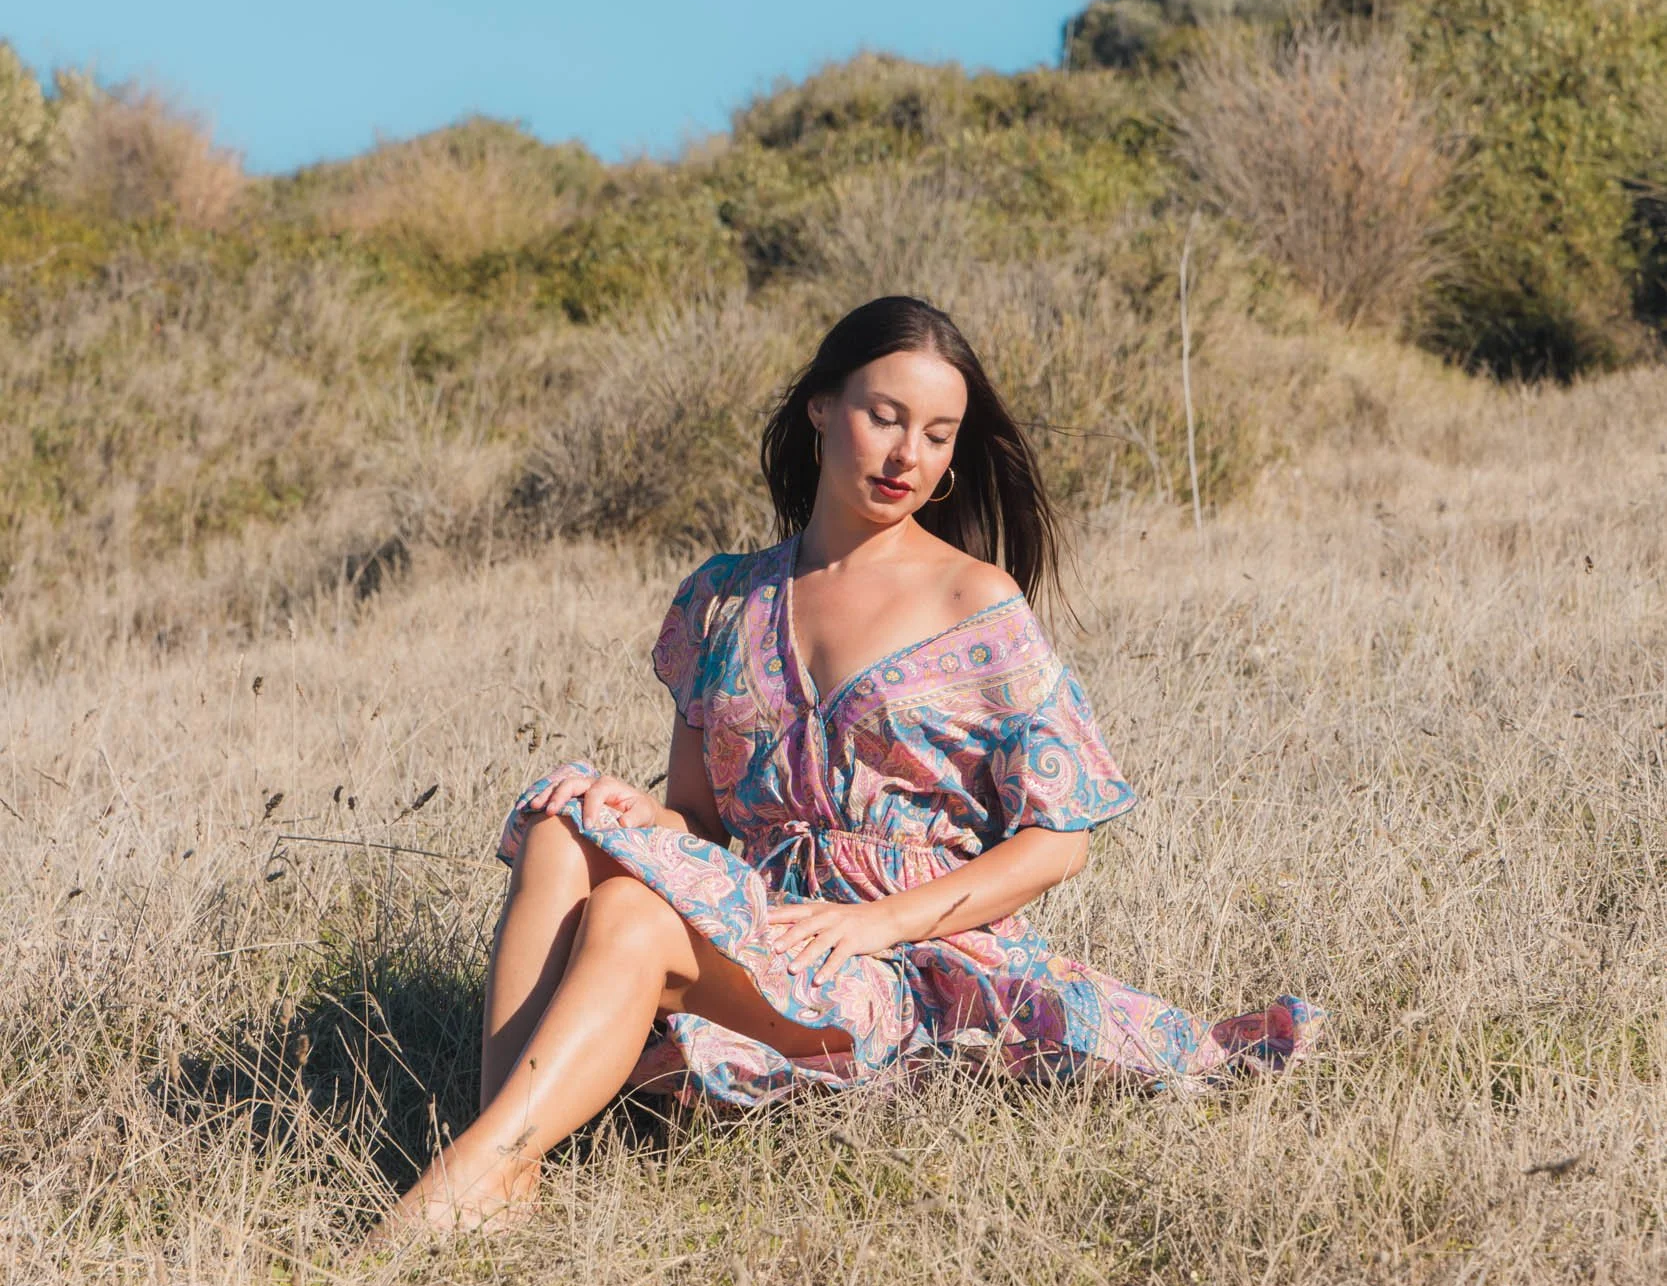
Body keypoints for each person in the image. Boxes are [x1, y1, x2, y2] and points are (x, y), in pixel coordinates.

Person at [382, 294, 1317, 1231]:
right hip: (760, 917)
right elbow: (701, 829)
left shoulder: (974, 601)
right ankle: (498, 1166)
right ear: (821, 410)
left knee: (629, 909)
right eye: (886, 417)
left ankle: (474, 1180)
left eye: (938, 434)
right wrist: (628, 811)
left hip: (903, 953)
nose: (908, 454)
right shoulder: (725, 599)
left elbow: (1055, 844)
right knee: (560, 818)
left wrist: (874, 925)